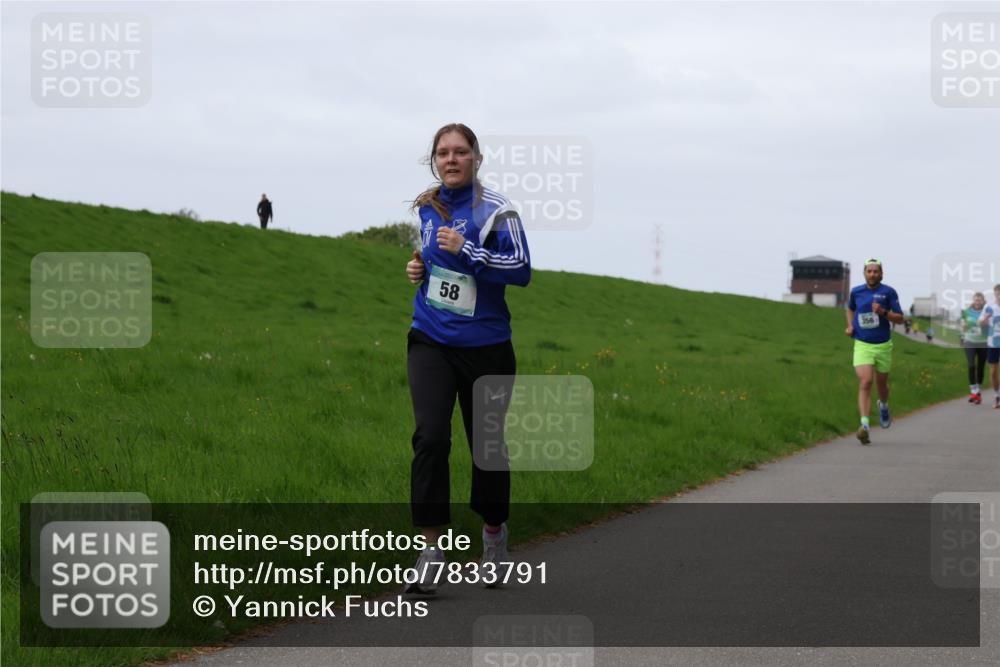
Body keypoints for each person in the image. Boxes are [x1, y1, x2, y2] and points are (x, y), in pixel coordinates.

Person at [403, 123, 531, 593]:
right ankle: (430, 551)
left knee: (487, 448)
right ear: (434, 160)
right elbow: (436, 263)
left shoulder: (498, 210)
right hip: (431, 338)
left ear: (477, 158)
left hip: (486, 348)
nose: (451, 159)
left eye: (460, 152)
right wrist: (419, 268)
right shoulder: (428, 205)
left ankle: (494, 536)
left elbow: (521, 269)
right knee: (431, 437)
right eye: (443, 153)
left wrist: (470, 250)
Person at [845, 258, 904, 444]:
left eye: (875, 271)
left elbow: (900, 318)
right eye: (869, 271)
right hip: (862, 344)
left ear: (881, 274)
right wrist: (850, 326)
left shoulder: (888, 292)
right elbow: (850, 309)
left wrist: (883, 313)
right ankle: (864, 425)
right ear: (864, 273)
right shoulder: (856, 292)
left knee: (881, 384)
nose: (872, 274)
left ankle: (883, 405)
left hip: (883, 345)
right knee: (866, 381)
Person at [960, 292, 988, 404]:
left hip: (983, 342)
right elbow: (962, 325)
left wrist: (984, 324)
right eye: (976, 300)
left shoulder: (986, 311)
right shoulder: (966, 312)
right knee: (971, 365)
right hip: (969, 341)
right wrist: (964, 326)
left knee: (981, 367)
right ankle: (973, 391)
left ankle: (978, 392)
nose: (977, 302)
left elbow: (989, 326)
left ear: (983, 301)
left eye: (979, 300)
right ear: (973, 300)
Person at [978, 284, 1000, 409]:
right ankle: (997, 395)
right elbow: (980, 322)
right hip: (993, 343)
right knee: (993, 372)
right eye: (998, 294)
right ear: (995, 294)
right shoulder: (989, 307)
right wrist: (984, 320)